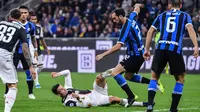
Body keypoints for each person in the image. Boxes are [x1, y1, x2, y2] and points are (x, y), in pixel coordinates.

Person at [96, 4, 164, 107]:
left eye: (115, 18)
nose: (114, 21)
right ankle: (154, 82)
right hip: (139, 55)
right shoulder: (131, 17)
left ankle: (131, 96)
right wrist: (139, 5)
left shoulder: (125, 27)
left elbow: (118, 46)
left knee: (115, 72)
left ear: (120, 16)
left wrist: (103, 55)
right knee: (128, 76)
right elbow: (136, 9)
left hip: (135, 56)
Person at [143, 0, 199, 112]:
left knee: (154, 77)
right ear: (181, 5)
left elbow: (150, 31)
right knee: (180, 78)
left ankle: (149, 105)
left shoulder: (162, 15)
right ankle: (173, 109)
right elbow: (190, 29)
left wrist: (147, 49)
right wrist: (196, 46)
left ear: (169, 6)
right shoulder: (185, 15)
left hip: (160, 49)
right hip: (175, 49)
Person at [51, 69, 152, 108]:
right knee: (114, 99)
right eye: (61, 90)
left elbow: (68, 72)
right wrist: (78, 98)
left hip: (95, 91)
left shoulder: (68, 88)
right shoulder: (67, 102)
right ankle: (142, 104)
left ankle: (116, 71)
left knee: (99, 77)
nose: (64, 89)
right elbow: (87, 105)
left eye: (62, 88)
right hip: (96, 100)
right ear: (58, 94)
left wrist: (58, 74)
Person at [0, 9, 36, 112]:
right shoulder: (21, 28)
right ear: (20, 17)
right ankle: (7, 110)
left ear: (9, 16)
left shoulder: (1, 23)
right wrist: (30, 66)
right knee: (13, 86)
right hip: (4, 56)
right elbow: (25, 48)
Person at [29, 13, 50, 89]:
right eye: (32, 19)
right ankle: (37, 83)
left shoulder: (39, 28)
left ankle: (32, 75)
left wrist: (46, 48)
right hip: (31, 50)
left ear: (36, 20)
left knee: (41, 67)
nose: (33, 20)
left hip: (38, 50)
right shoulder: (26, 27)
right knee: (35, 66)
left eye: (35, 19)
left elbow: (41, 39)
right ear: (29, 20)